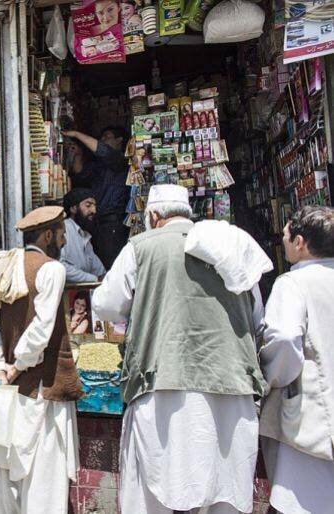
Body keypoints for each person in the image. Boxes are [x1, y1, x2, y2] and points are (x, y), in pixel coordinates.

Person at [91, 185, 267, 514]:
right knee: (223, 490)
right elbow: (258, 317)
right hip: (231, 384)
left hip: (164, 386)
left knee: (154, 493)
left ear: (154, 216)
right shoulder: (233, 243)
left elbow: (105, 305)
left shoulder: (141, 247)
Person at [0, 206, 82, 514]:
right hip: (40, 387)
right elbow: (41, 327)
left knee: (9, 471)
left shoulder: (2, 265)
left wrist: (1, 366)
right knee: (43, 476)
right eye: (62, 234)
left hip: (7, 389)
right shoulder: (52, 269)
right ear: (48, 234)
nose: (64, 241)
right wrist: (17, 366)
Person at [259, 206, 334, 514]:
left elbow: (286, 338)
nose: (284, 241)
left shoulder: (293, 283)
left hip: (311, 414)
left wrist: (273, 378)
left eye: (286, 235)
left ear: (300, 242)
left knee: (304, 501)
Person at [62, 127, 130, 269]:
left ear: (119, 141)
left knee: (110, 268)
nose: (102, 140)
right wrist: (78, 154)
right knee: (96, 266)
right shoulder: (99, 166)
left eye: (107, 137)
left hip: (112, 226)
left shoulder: (120, 160)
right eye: (102, 137)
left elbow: (103, 150)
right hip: (96, 224)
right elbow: (81, 175)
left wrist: (76, 133)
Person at [60, 188, 106, 283]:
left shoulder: (84, 235)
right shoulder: (65, 229)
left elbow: (98, 270)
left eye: (94, 206)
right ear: (73, 208)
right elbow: (60, 266)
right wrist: (94, 279)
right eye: (88, 205)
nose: (94, 210)